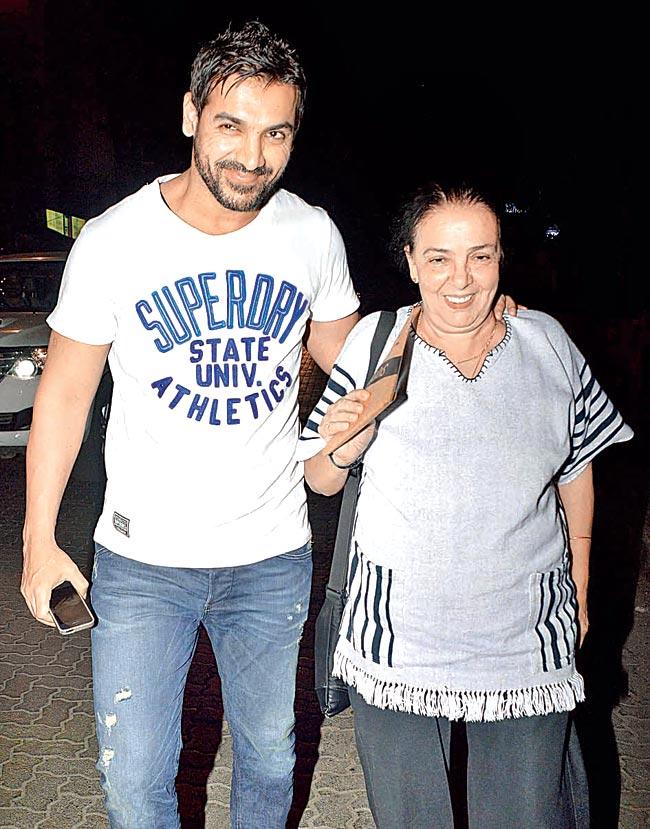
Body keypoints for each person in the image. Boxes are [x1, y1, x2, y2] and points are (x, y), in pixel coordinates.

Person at [20, 22, 362, 829]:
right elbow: (65, 396)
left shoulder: (311, 235)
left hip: (272, 555)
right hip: (143, 562)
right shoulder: (113, 241)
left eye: (276, 132)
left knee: (271, 762)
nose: (254, 156)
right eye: (232, 126)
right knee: (136, 784)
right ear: (189, 116)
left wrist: (478, 325)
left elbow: (352, 363)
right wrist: (39, 540)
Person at [300, 183, 633, 829]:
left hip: (523, 640)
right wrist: (346, 441)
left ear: (502, 259)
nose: (460, 278)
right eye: (439, 258)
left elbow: (577, 467)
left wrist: (583, 583)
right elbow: (321, 480)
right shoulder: (375, 342)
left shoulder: (547, 343)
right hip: (395, 639)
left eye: (480, 257)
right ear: (410, 259)